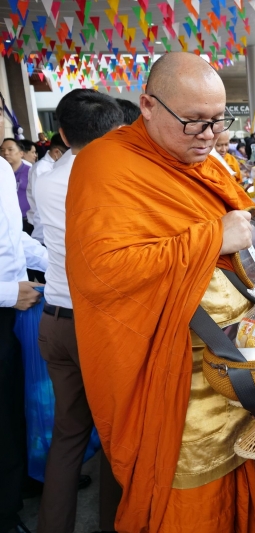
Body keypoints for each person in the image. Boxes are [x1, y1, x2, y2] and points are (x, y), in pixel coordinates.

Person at [64, 52, 255, 533]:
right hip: (175, 384)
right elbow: (102, 272)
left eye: (218, 122)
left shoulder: (205, 162)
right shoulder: (106, 165)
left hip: (236, 372)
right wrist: (213, 238)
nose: (208, 136)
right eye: (194, 122)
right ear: (148, 105)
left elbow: (247, 234)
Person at [34, 89, 125, 533]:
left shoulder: (44, 178)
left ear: (63, 134)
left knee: (68, 435)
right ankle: (113, 525)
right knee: (115, 436)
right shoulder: (118, 179)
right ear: (118, 132)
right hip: (100, 327)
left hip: (54, 319)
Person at [0, 96, 48, 533]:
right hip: (5, 299)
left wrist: (59, 263)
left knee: (15, 404)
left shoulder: (2, 170)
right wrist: (4, 293)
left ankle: (18, 486)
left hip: (14, 304)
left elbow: (16, 239)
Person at [26, 133, 67, 246]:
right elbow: (40, 203)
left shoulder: (55, 166)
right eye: (67, 155)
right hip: (40, 227)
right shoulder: (41, 169)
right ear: (56, 152)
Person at [1, 138, 32, 233]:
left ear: (21, 153)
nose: (5, 153)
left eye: (10, 149)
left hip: (28, 222)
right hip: (7, 224)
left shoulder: (31, 172)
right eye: (2, 150)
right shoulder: (2, 173)